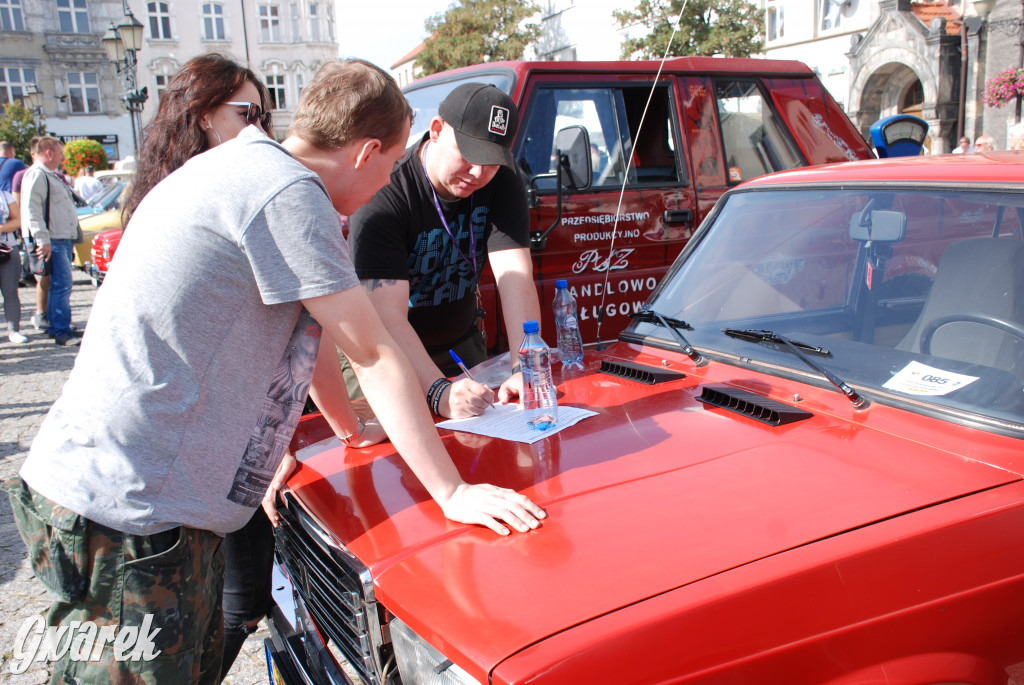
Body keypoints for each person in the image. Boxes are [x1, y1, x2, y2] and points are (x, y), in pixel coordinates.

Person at [6, 59, 545, 683]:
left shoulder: (241, 167)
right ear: (368, 150)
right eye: (391, 162)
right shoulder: (288, 195)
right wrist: (452, 492)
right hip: (133, 509)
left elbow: (310, 342)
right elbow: (369, 352)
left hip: (120, 489)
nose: (383, 187)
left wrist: (347, 428)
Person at [346, 82, 541, 420]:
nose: (478, 173)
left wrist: (524, 366)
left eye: (491, 162)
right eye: (468, 155)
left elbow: (515, 277)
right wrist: (438, 392)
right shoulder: (386, 190)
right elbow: (385, 318)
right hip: (381, 351)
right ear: (436, 130)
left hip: (459, 344)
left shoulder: (502, 182)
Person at [20, 136, 79, 346]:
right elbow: (32, 210)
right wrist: (41, 239)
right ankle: (61, 330)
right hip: (52, 238)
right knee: (61, 285)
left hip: (59, 237)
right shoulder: (37, 174)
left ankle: (60, 327)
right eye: (60, 153)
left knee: (61, 285)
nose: (63, 157)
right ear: (49, 152)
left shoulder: (48, 175)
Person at [13, 137, 47, 328]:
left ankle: (44, 314)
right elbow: (24, 207)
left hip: (37, 232)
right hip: (34, 233)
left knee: (49, 278)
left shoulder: (47, 174)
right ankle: (41, 314)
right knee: (42, 275)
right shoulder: (28, 174)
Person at [0, 188, 26, 343]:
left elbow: (18, 220)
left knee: (10, 291)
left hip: (7, 249)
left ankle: (14, 330)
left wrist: (1, 228)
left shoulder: (4, 195)